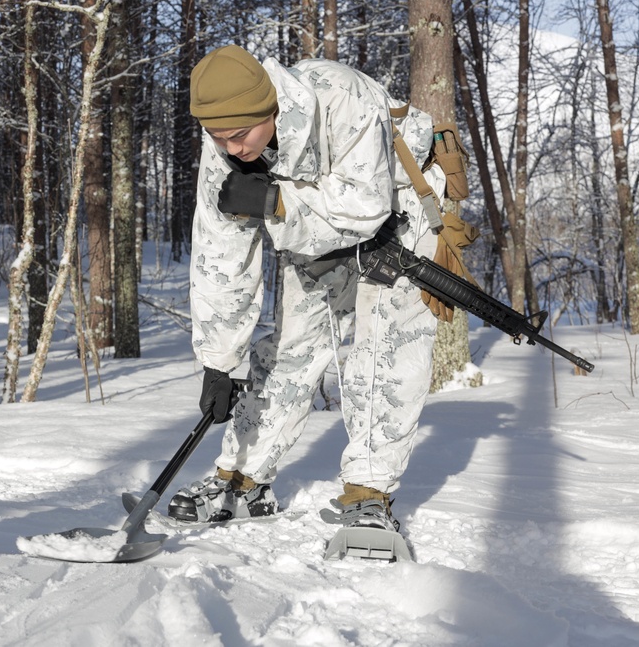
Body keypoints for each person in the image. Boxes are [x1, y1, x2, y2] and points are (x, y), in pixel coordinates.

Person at [168, 44, 449, 532]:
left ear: (270, 108)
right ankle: (243, 478)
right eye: (217, 137)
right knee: (292, 347)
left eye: (239, 135)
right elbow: (221, 256)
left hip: (402, 207)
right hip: (310, 217)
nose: (231, 149)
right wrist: (220, 361)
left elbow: (365, 208)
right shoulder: (225, 151)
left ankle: (368, 494)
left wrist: (276, 203)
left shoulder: (342, 96)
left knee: (384, 343)